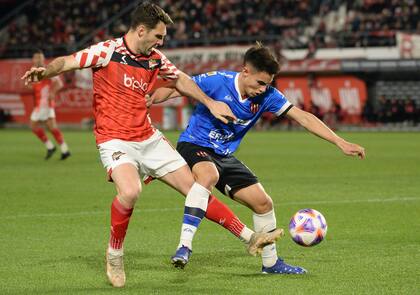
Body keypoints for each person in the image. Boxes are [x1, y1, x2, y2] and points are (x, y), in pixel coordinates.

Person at [21, 3, 281, 288]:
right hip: (114, 138)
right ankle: (114, 253)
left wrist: (209, 102)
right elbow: (67, 61)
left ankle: (250, 237)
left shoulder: (155, 58)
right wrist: (45, 71)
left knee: (195, 188)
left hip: (147, 137)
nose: (161, 42)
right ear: (141, 30)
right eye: (158, 36)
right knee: (131, 191)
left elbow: (180, 79)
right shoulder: (106, 51)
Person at [149, 42, 366, 274]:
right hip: (195, 144)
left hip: (223, 154)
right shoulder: (217, 81)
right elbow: (175, 87)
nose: (263, 89)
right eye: (260, 82)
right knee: (208, 174)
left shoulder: (268, 96)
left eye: (268, 84)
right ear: (245, 72)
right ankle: (185, 246)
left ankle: (271, 264)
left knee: (263, 203)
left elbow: (303, 117)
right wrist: (151, 99)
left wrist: (340, 142)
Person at [28, 49, 71, 160]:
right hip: (40, 104)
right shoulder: (35, 71)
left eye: (39, 57)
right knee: (51, 127)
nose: (37, 60)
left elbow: (59, 83)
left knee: (35, 125)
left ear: (43, 59)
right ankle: (63, 149)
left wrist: (52, 92)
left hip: (45, 103)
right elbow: (33, 86)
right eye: (36, 57)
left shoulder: (47, 70)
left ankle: (52, 147)